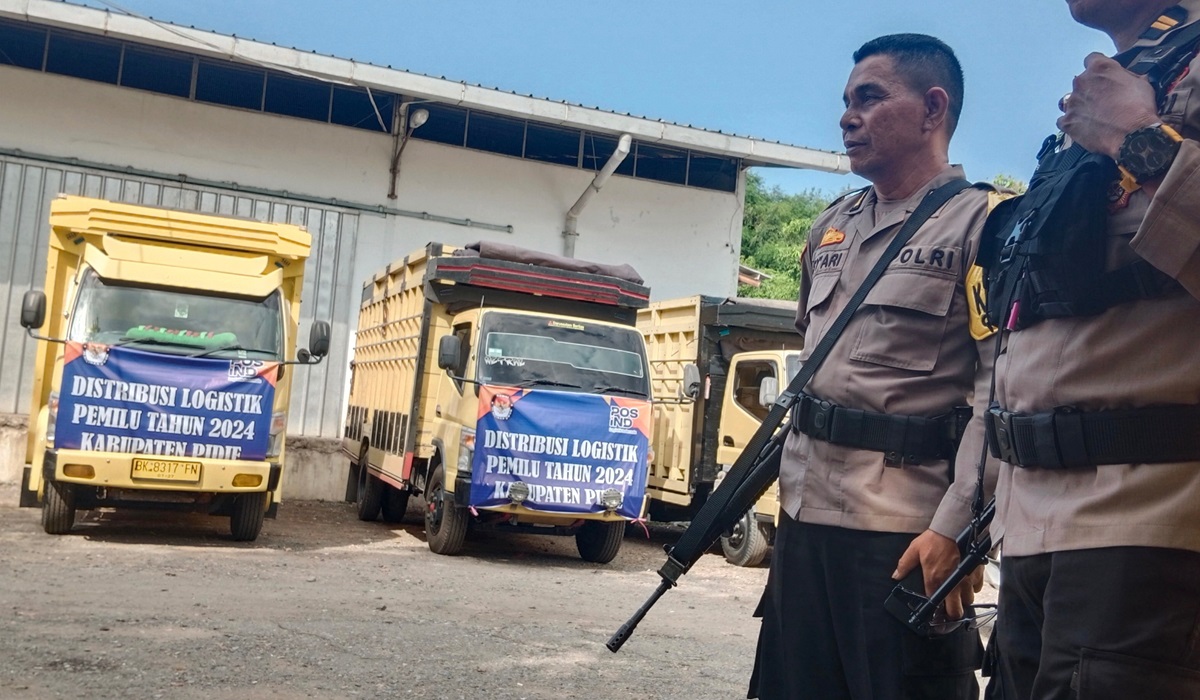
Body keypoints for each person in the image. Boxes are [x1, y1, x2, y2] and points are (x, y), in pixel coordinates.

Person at [749, 34, 998, 700]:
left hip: (902, 535)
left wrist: (956, 529)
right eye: (845, 101)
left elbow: (999, 395)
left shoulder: (985, 227)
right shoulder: (828, 228)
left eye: (870, 97)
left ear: (932, 108)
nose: (847, 116)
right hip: (804, 521)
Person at [988, 1, 1200, 697]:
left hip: (1149, 528)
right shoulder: (1122, 78)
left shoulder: (1131, 105)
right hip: (1035, 531)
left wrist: (1139, 138)